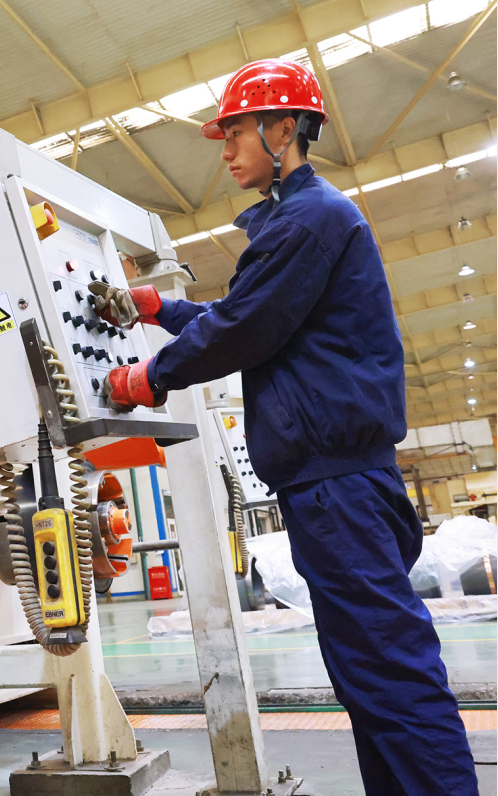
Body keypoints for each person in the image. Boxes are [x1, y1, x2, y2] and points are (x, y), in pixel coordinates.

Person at [93, 59, 478, 796]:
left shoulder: (310, 219)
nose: (226, 151)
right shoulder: (298, 221)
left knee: (391, 673)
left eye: (236, 132)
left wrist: (149, 376)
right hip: (331, 485)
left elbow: (245, 327)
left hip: (339, 487)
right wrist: (160, 309)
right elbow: (252, 315)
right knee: (367, 679)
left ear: (284, 129)